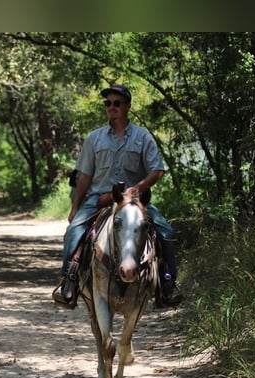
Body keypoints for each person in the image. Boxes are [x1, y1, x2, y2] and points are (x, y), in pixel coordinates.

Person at [52, 84, 182, 309]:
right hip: (99, 198)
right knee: (73, 231)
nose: (111, 107)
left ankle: (168, 284)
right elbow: (84, 175)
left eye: (116, 103)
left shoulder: (143, 136)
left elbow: (157, 169)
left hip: (134, 201)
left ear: (127, 106)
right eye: (108, 103)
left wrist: (138, 188)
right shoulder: (94, 139)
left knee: (166, 231)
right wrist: (75, 207)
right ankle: (68, 281)